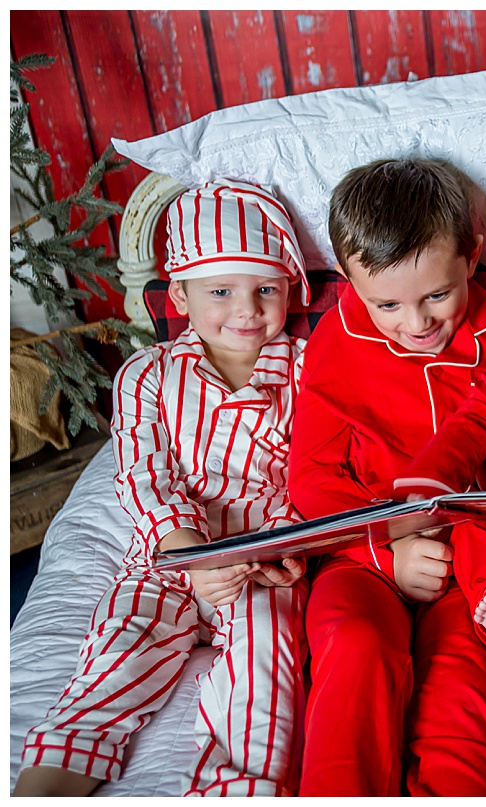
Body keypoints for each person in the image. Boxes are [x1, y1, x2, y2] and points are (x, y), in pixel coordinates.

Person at [14, 181, 310, 797]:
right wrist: (190, 556)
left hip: (260, 560)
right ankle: (49, 783)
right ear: (179, 293)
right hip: (170, 555)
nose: (246, 309)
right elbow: (144, 475)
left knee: (267, 666)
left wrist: (278, 549)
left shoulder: (307, 369)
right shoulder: (147, 375)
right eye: (220, 292)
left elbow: (315, 475)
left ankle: (239, 785)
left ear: (288, 288)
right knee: (118, 653)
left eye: (267, 289)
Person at [286, 158, 486, 797]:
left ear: (472, 256)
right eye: (386, 303)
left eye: (437, 296)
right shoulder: (338, 343)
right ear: (349, 281)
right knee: (354, 646)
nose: (416, 324)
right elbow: (310, 479)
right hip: (360, 554)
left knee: (463, 677)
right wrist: (386, 548)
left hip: (473, 557)